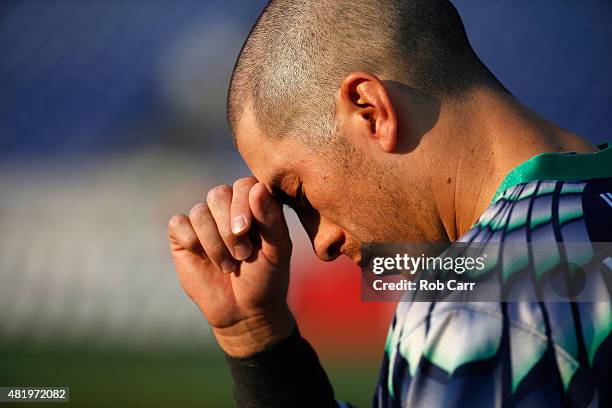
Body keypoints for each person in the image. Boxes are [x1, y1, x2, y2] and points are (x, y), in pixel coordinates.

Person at [167, 0, 612, 406]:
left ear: (370, 110)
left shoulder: (473, 307)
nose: (320, 244)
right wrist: (255, 335)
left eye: (299, 195)